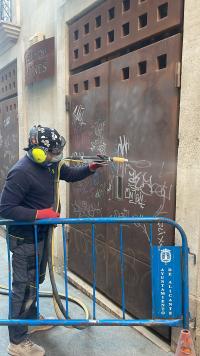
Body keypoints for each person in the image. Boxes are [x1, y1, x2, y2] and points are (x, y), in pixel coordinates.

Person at [0, 125, 104, 356]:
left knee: (34, 282)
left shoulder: (50, 165)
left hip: (41, 236)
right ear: (37, 151)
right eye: (53, 152)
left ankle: (32, 319)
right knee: (22, 288)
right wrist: (38, 215)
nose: (57, 156)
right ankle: (17, 341)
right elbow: (5, 207)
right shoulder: (21, 172)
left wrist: (90, 168)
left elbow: (69, 174)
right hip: (24, 239)